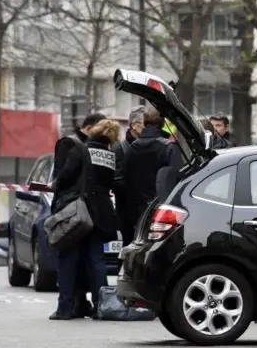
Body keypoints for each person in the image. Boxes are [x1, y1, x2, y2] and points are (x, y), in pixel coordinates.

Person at [50, 119, 122, 320]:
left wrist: (53, 186)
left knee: (68, 258)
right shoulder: (110, 155)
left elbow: (65, 176)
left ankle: (65, 308)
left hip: (79, 213)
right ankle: (101, 305)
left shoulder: (81, 149)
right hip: (101, 214)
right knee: (96, 260)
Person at [121, 106, 183, 235]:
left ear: (144, 122)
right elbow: (178, 183)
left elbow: (124, 180)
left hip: (136, 214)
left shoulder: (131, 149)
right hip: (162, 215)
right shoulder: (169, 148)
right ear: (162, 122)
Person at [114, 106, 144, 246]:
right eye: (145, 124)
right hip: (127, 211)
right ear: (134, 125)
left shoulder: (149, 145)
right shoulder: (121, 148)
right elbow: (117, 180)